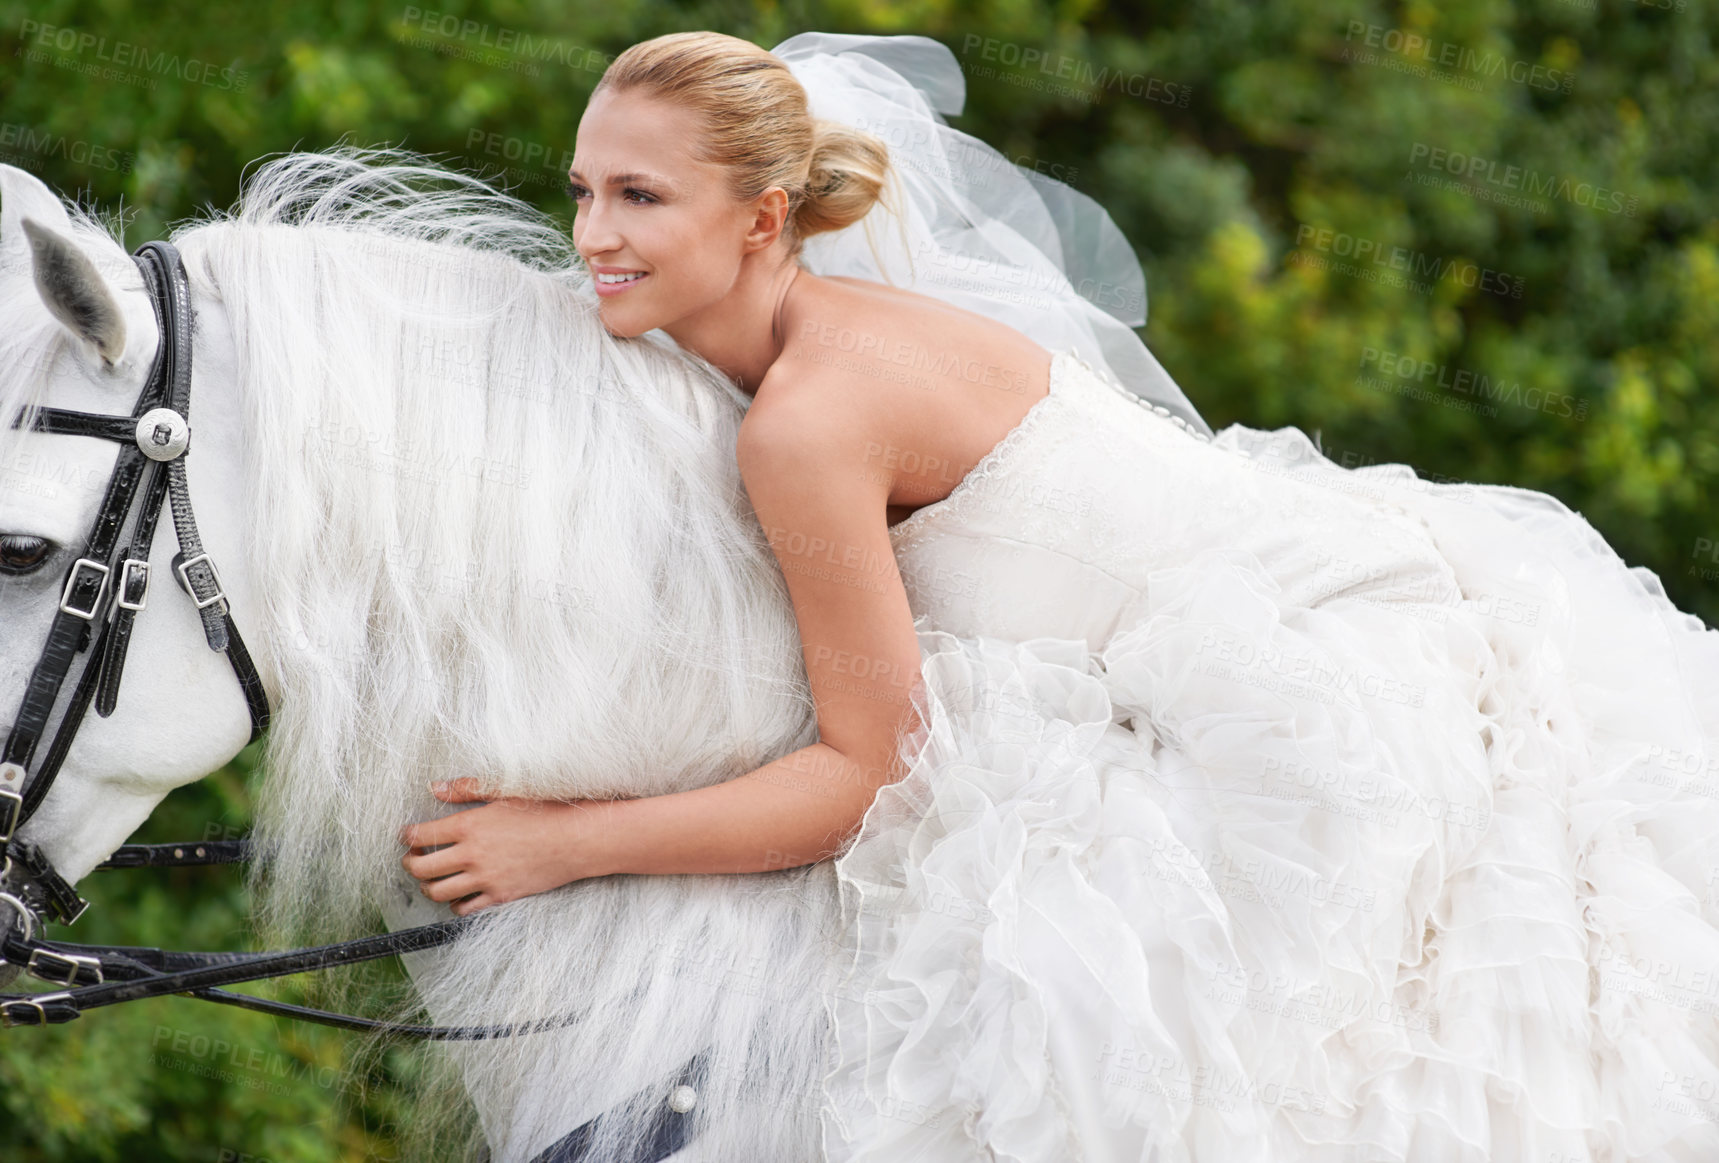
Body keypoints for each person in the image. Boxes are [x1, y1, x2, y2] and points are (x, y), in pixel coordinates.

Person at [399, 30, 1719, 1162]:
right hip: (1316, 596)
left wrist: (561, 843)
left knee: (1134, 1044)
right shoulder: (832, 324)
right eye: (584, 191)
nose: (592, 236)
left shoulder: (805, 421)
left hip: (1302, 692)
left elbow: (870, 769)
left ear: (758, 219)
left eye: (640, 197)